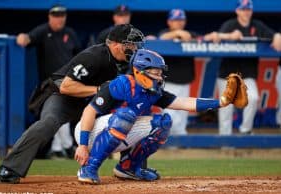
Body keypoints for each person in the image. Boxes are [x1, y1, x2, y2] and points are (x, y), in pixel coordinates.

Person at [0, 24, 145, 184]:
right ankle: (9, 168)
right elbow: (66, 86)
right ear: (116, 44)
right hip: (63, 96)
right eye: (130, 44)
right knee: (49, 122)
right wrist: (99, 89)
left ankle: (130, 167)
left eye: (135, 44)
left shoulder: (128, 62)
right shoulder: (94, 56)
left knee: (131, 114)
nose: (134, 48)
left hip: (95, 101)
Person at [74, 49, 235, 184]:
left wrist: (220, 102)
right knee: (126, 115)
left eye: (160, 73)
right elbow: (89, 111)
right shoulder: (121, 84)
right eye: (155, 72)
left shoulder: (153, 91)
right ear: (139, 71)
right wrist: (82, 145)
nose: (159, 77)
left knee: (163, 123)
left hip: (118, 131)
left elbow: (184, 103)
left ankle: (128, 167)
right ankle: (88, 168)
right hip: (88, 132)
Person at [16, 5, 82, 159]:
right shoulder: (44, 31)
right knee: (56, 113)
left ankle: (59, 146)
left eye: (62, 15)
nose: (59, 18)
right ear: (50, 16)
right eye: (56, 15)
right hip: (50, 83)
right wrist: (22, 37)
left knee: (62, 113)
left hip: (69, 81)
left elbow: (79, 55)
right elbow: (27, 38)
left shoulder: (70, 33)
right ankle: (63, 146)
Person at [213, 0, 281, 135]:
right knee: (226, 108)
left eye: (248, 9)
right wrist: (230, 36)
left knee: (253, 98)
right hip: (227, 74)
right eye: (243, 9)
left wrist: (277, 36)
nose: (246, 12)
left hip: (247, 74)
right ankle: (225, 140)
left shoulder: (257, 25)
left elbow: (273, 35)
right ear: (237, 11)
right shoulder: (230, 24)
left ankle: (245, 130)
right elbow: (216, 37)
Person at [158, 9, 198, 135]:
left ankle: (179, 144)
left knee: (182, 115)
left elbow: (201, 39)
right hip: (168, 82)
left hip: (185, 81)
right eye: (175, 20)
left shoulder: (190, 33)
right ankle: (172, 140)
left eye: (181, 20)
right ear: (169, 22)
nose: (179, 23)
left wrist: (187, 36)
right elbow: (161, 38)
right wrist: (178, 33)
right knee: (169, 114)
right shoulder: (165, 33)